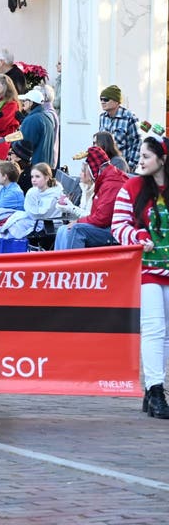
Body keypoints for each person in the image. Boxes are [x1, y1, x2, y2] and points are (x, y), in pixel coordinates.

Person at [111, 133, 169, 418]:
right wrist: (136, 235)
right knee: (155, 328)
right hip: (145, 269)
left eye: (146, 156)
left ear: (163, 159)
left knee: (166, 334)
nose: (140, 161)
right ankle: (156, 390)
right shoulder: (131, 187)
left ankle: (154, 390)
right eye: (140, 156)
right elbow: (118, 225)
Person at [55, 146, 129, 249]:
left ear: (93, 169)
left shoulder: (112, 183)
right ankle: (60, 263)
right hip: (110, 227)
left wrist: (78, 221)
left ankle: (70, 264)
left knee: (76, 230)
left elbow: (102, 218)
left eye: (83, 170)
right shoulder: (108, 180)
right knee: (64, 229)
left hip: (114, 230)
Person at [98, 85, 140, 167]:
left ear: (116, 101)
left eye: (106, 99)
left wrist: (130, 166)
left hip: (122, 166)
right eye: (101, 99)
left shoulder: (129, 117)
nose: (102, 102)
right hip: (105, 166)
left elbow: (137, 142)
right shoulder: (102, 117)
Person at [18, 86, 57, 168]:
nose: (22, 103)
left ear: (31, 103)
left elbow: (25, 145)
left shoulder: (33, 119)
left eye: (25, 100)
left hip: (35, 167)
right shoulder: (46, 117)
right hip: (45, 167)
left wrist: (13, 144)